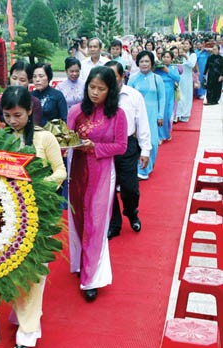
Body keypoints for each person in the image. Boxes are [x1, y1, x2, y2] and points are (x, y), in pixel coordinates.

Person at [1, 86, 67, 348]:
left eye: (17, 115)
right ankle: (23, 314)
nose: (13, 121)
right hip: (8, 214)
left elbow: (60, 172)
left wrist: (35, 187)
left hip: (39, 213)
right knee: (12, 267)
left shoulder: (45, 138)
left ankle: (28, 332)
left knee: (34, 271)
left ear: (30, 110)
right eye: (7, 116)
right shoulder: (1, 137)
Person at [67, 66, 127, 302]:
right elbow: (65, 139)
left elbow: (120, 146)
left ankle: (92, 279)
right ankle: (82, 262)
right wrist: (71, 144)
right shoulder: (76, 111)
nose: (95, 93)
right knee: (78, 218)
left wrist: (95, 147)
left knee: (96, 223)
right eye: (92, 87)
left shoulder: (117, 115)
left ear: (110, 90)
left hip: (102, 171)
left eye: (101, 89)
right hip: (78, 170)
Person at [104, 61, 151, 239]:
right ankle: (114, 223)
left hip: (127, 145)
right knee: (107, 188)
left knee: (130, 188)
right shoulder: (100, 96)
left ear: (122, 77)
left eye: (113, 77)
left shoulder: (133, 96)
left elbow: (143, 123)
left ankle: (131, 212)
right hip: (105, 147)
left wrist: (146, 150)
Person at [128, 51, 165, 180]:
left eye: (147, 61)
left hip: (152, 114)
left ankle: (148, 167)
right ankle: (140, 169)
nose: (144, 64)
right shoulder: (132, 79)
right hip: (136, 114)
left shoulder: (157, 79)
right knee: (138, 142)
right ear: (138, 63)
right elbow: (128, 98)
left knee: (153, 142)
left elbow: (162, 98)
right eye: (142, 61)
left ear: (151, 63)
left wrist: (160, 115)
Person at [0, 60, 42, 125]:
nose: (17, 83)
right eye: (14, 78)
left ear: (29, 81)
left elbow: (35, 127)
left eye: (22, 80)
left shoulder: (35, 103)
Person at [155, 50, 181, 142]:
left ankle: (166, 133)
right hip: (159, 92)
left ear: (172, 59)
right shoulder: (157, 68)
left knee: (167, 114)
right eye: (164, 57)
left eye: (168, 57)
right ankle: (160, 136)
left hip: (169, 93)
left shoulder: (173, 68)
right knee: (159, 113)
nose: (166, 59)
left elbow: (178, 78)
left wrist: (167, 71)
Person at [175, 39, 197, 122]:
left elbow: (192, 64)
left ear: (190, 45)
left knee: (187, 96)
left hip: (187, 78)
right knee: (179, 95)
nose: (185, 45)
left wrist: (186, 56)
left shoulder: (193, 55)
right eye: (184, 43)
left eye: (187, 44)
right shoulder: (179, 54)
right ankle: (178, 114)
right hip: (180, 77)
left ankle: (185, 114)